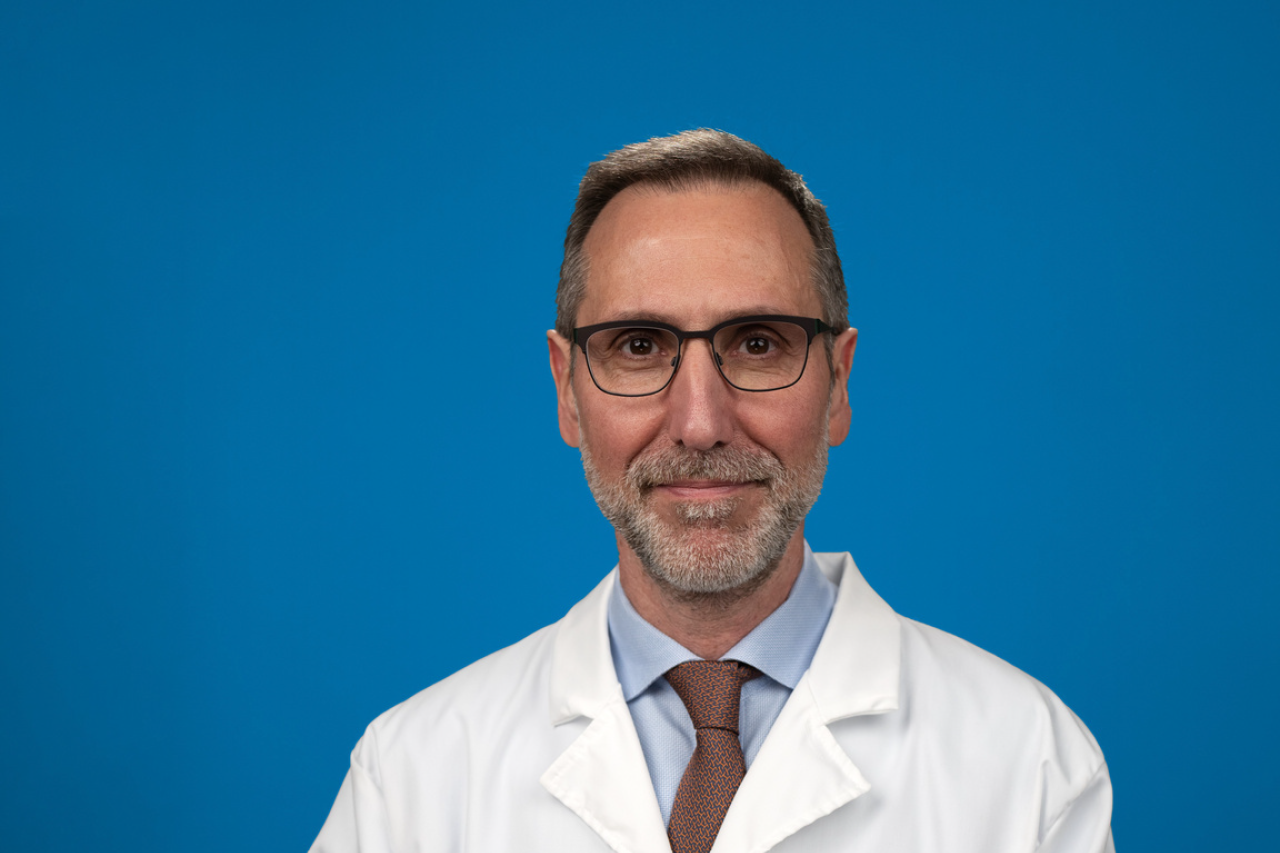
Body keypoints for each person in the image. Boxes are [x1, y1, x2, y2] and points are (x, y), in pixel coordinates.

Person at [310, 130, 1114, 853]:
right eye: (638, 344)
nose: (700, 422)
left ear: (838, 384)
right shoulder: (411, 780)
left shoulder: (1027, 763)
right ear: (566, 390)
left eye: (758, 343)